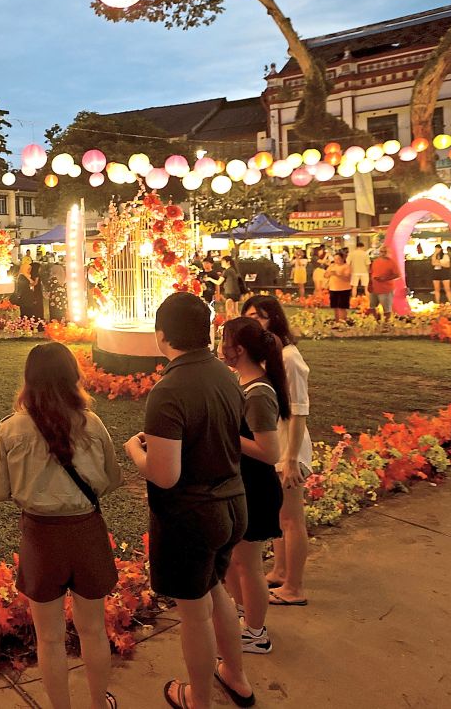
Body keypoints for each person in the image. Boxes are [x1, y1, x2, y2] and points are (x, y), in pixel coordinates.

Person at [123, 292, 252, 709]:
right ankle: (236, 677)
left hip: (192, 517)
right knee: (218, 594)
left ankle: (198, 700)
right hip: (233, 504)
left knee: (195, 612)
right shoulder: (227, 376)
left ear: (162, 336)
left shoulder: (169, 389)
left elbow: (165, 474)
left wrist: (134, 452)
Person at [0, 342, 122, 709]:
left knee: (49, 638)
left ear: (29, 381)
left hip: (41, 536)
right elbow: (111, 479)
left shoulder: (11, 430)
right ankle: (98, 703)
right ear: (72, 377)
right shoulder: (91, 424)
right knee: (93, 629)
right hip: (86, 530)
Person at [219, 317, 289, 656]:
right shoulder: (244, 384)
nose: (220, 347)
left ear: (239, 349)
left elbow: (270, 451)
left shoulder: (259, 393)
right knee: (236, 562)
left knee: (248, 565)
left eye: (224, 340)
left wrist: (226, 436)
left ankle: (257, 634)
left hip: (256, 490)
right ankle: (245, 618)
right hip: (243, 486)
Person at [242, 295, 312, 608]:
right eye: (249, 317)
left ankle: (294, 587)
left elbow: (299, 411)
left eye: (261, 316)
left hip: (289, 448)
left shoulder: (289, 357)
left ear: (275, 319)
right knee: (280, 517)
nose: (255, 322)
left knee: (292, 520)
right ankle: (281, 571)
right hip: (275, 447)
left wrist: (292, 459)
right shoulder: (265, 356)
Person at [369, 244, 400, 320]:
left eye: (384, 252)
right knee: (372, 306)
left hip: (386, 289)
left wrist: (385, 278)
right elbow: (371, 273)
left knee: (386, 308)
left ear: (388, 252)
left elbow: (397, 275)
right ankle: (376, 321)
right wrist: (369, 284)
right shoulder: (376, 261)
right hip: (374, 288)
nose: (382, 253)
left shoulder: (392, 263)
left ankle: (386, 323)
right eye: (381, 252)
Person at [325, 252, 352, 324]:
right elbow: (326, 275)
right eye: (335, 259)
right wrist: (328, 273)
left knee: (342, 307)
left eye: (338, 259)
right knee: (335, 306)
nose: (337, 260)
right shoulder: (332, 266)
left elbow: (347, 277)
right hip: (333, 288)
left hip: (344, 289)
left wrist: (337, 274)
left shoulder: (346, 266)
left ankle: (342, 321)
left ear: (343, 259)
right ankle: (337, 321)